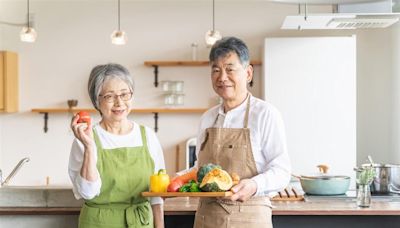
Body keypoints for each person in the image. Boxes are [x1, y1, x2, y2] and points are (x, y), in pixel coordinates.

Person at [193, 37, 291, 228]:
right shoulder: (207, 119)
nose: (222, 77)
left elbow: (282, 171)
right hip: (206, 219)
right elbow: (200, 170)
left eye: (230, 69)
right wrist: (173, 182)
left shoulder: (265, 114)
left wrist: (254, 185)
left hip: (249, 218)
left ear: (248, 73)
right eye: (216, 70)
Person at [68, 63, 165, 228]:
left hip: (141, 222)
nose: (119, 102)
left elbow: (157, 193)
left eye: (125, 94)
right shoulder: (85, 138)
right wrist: (90, 147)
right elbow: (88, 192)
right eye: (110, 96)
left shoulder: (147, 136)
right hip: (98, 223)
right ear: (96, 100)